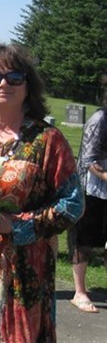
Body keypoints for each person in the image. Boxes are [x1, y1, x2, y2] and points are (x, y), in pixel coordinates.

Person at [0, 43, 84, 342]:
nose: (2, 84)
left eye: (13, 77)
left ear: (28, 85)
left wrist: (18, 224)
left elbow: (73, 204)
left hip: (25, 270)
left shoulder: (47, 140)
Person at [68, 96, 107, 314]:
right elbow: (89, 161)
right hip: (91, 189)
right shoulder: (99, 119)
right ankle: (79, 292)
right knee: (84, 240)